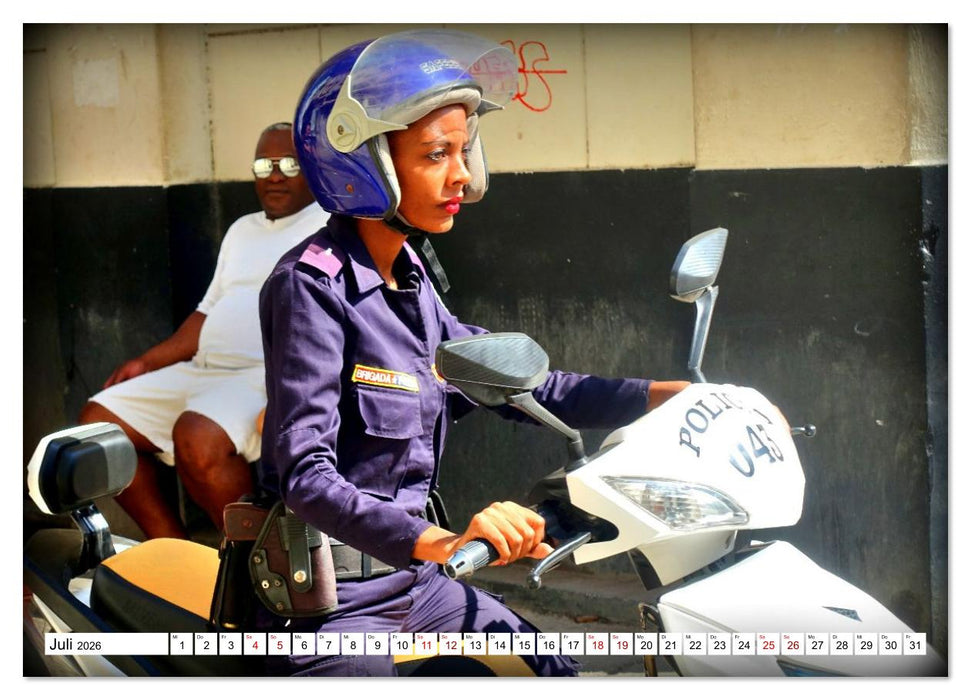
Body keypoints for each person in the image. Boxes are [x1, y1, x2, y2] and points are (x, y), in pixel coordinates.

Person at [257, 30, 689, 677]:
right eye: (436, 154)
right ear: (361, 164)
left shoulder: (410, 279)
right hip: (330, 601)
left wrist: (667, 397)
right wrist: (446, 542)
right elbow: (305, 477)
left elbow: (516, 385)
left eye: (463, 151)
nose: (460, 173)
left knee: (551, 672)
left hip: (419, 581)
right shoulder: (311, 287)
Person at [79, 123, 330, 540]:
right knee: (100, 425)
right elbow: (206, 313)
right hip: (205, 370)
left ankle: (254, 561)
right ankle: (170, 547)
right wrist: (146, 361)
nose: (274, 174)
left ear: (313, 168)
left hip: (265, 377)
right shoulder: (242, 230)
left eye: (289, 163)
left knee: (196, 436)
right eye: (263, 165)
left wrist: (291, 392)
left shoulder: (326, 225)